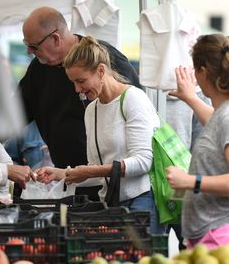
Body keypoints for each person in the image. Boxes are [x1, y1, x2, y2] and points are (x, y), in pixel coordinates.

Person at [36, 36, 166, 234]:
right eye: (73, 83)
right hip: (113, 205)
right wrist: (64, 174)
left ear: (101, 71)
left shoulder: (133, 99)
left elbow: (143, 162)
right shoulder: (91, 110)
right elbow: (99, 171)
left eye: (81, 81)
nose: (77, 89)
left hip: (143, 202)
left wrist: (89, 172)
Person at [19, 6, 141, 200]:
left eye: (33, 46)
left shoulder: (106, 59)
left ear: (56, 39)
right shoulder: (38, 70)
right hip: (69, 182)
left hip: (118, 188)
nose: (28, 51)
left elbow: (140, 129)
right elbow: (15, 114)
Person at [166, 34, 229, 249]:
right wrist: (190, 98)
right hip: (208, 236)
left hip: (218, 237)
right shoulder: (222, 115)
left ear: (203, 72)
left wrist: (191, 182)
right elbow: (216, 125)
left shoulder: (227, 116)